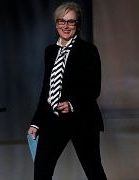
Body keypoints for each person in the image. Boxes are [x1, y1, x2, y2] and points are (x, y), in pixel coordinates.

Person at [28, 2, 106, 180]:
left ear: (77, 25)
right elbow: (46, 89)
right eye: (62, 21)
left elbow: (94, 88)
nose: (65, 26)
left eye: (71, 22)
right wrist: (36, 122)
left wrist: (72, 104)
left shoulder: (88, 51)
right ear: (56, 24)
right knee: (41, 171)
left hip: (82, 119)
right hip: (53, 119)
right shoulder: (50, 51)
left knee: (93, 170)